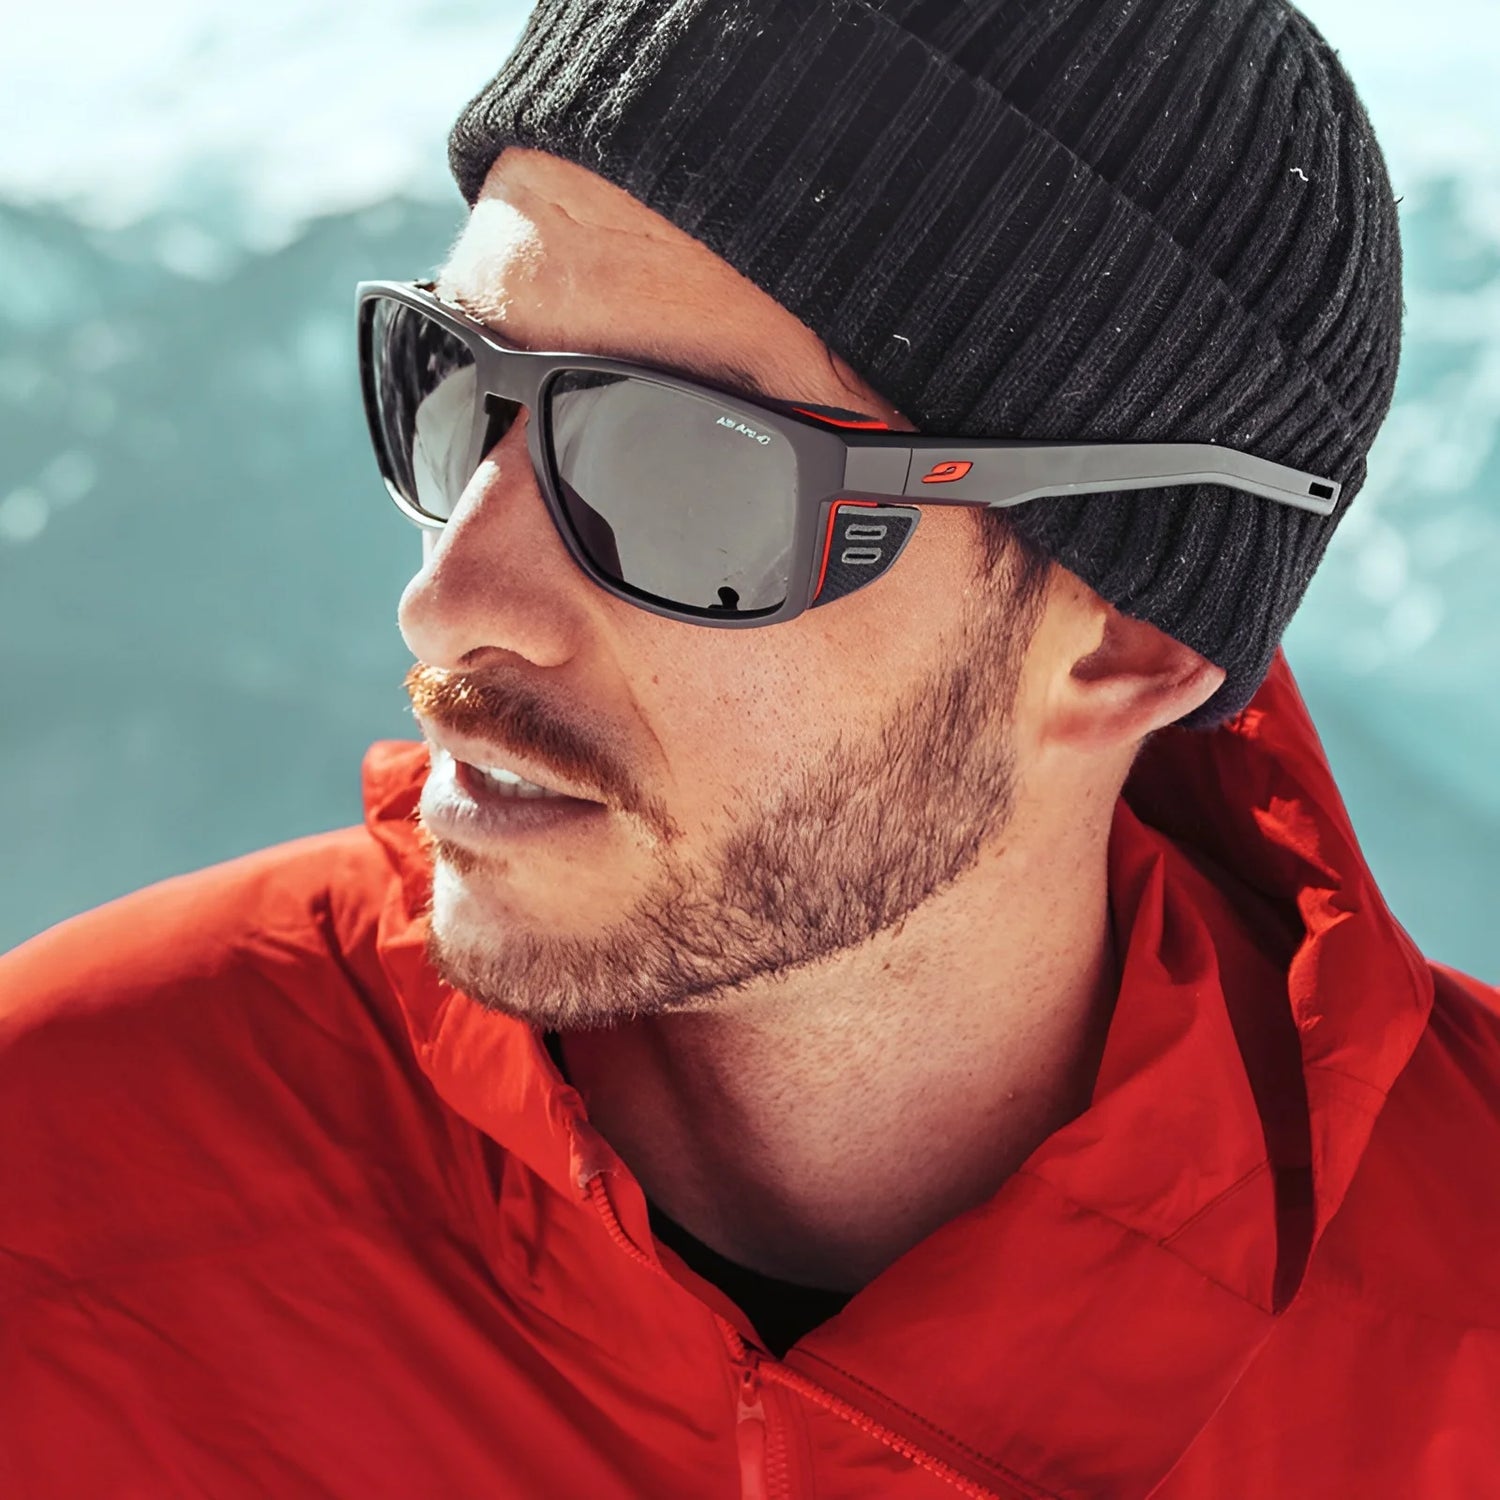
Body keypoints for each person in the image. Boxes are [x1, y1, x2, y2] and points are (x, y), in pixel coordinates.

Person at [3, 0, 1497, 1495]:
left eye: (682, 472)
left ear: (1125, 642)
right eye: (456, 392)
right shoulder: (56, 1184)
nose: (446, 598)